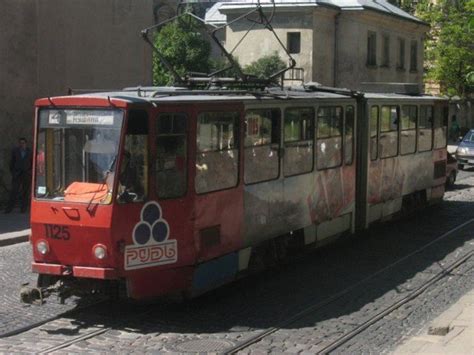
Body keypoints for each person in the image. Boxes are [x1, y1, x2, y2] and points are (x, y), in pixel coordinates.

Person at [5, 137, 32, 213]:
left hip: (26, 174)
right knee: (14, 191)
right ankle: (9, 209)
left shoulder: (30, 151)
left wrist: (30, 171)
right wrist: (13, 172)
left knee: (25, 192)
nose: (22, 144)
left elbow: (32, 162)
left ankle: (23, 209)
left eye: (23, 143)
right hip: (17, 174)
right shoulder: (15, 151)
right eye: (20, 143)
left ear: (26, 143)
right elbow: (12, 162)